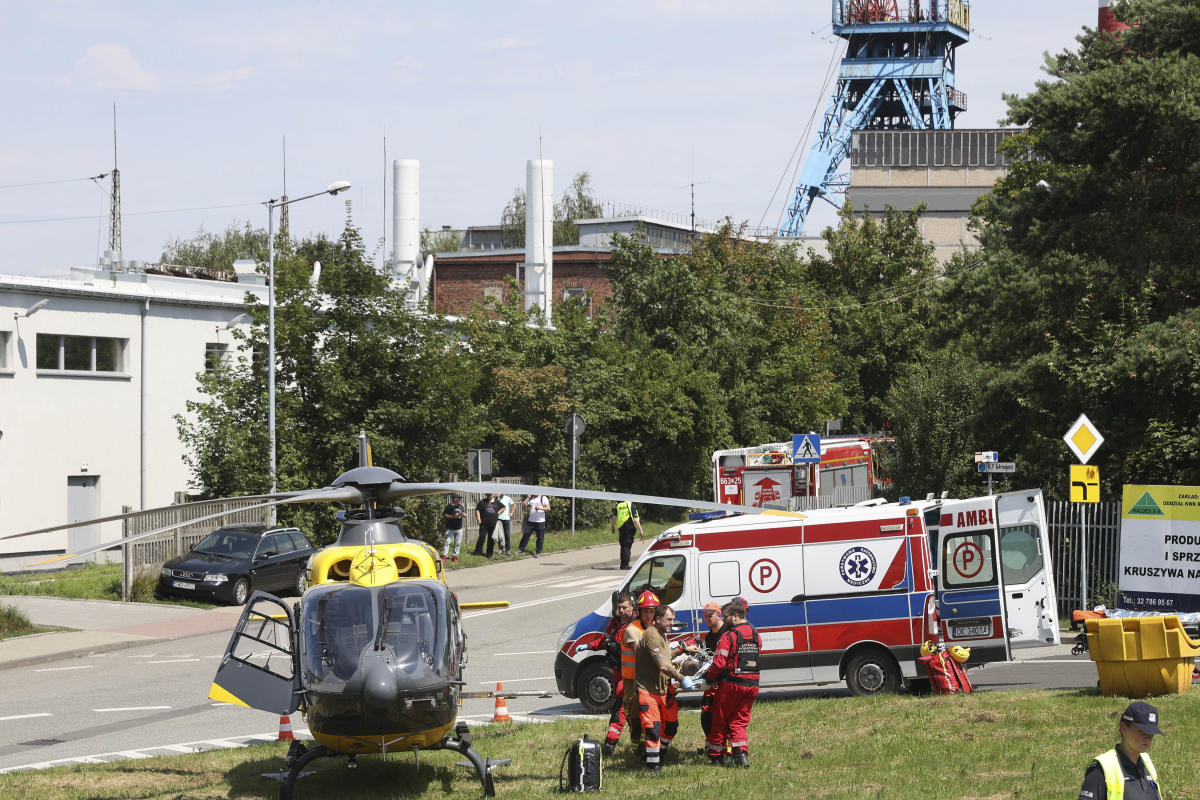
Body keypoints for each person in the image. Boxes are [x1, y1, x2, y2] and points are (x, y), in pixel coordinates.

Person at [635, 603, 694, 771]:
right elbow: (663, 665)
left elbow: (665, 657)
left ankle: (659, 754)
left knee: (671, 726)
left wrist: (683, 650)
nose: (672, 623)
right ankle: (653, 767)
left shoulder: (662, 634)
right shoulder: (651, 635)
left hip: (663, 690)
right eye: (669, 620)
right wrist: (683, 679)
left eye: (673, 619)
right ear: (658, 619)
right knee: (653, 729)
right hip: (648, 691)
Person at [703, 599, 760, 768]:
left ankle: (715, 756)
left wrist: (709, 680)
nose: (725, 620)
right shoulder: (756, 634)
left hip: (732, 684)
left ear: (735, 617)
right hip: (753, 684)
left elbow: (719, 663)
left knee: (720, 719)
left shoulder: (729, 636)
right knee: (739, 721)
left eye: (726, 616)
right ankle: (741, 757)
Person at [1077, 701, 1165, 800]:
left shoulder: (1147, 762)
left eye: (1151, 732)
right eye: (1142, 731)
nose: (1148, 737)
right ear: (1124, 729)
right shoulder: (1102, 768)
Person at [621, 589, 658, 754]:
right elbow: (641, 655)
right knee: (635, 717)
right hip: (632, 680)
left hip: (650, 678)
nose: (649, 615)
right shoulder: (632, 629)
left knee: (649, 714)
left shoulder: (656, 627)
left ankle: (646, 747)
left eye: (652, 611)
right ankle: (636, 749)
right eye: (645, 611)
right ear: (639, 611)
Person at [601, 591, 635, 756]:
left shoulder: (635, 625)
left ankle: (610, 743)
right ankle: (636, 745)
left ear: (631, 607)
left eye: (624, 608)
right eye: (619, 608)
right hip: (618, 673)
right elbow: (603, 640)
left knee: (620, 709)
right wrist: (587, 646)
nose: (621, 611)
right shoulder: (615, 624)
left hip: (631, 675)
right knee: (625, 709)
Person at [696, 601, 724, 742]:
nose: (707, 619)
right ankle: (711, 744)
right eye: (705, 616)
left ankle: (726, 749)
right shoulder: (709, 636)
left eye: (710, 616)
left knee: (722, 717)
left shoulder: (726, 632)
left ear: (719, 615)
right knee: (706, 716)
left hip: (724, 682)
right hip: (711, 681)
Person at [611, 500, 644, 570]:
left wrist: (613, 527)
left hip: (621, 528)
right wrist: (640, 529)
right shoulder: (631, 505)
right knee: (627, 546)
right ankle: (625, 565)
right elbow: (635, 519)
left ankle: (623, 564)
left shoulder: (619, 506)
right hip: (629, 527)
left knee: (623, 545)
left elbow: (614, 517)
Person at [518, 493, 549, 557]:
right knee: (525, 535)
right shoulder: (531, 498)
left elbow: (548, 508)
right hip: (531, 521)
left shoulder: (543, 498)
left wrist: (540, 509)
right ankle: (521, 549)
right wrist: (528, 497)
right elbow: (524, 505)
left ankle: (538, 552)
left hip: (540, 521)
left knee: (540, 537)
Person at [472, 492, 499, 557]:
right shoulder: (482, 502)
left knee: (491, 539)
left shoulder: (497, 502)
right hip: (483, 523)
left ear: (493, 495)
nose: (490, 495)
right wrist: (479, 520)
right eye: (488, 494)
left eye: (491, 494)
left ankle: (489, 554)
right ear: (486, 495)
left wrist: (498, 513)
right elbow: (477, 510)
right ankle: (477, 552)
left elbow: (503, 507)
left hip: (493, 523)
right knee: (482, 537)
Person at [442, 495, 466, 563]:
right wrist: (452, 516)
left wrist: (462, 514)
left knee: (457, 543)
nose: (459, 500)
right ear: (454, 499)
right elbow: (444, 515)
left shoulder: (461, 506)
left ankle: (455, 556)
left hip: (459, 528)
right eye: (458, 498)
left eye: (460, 499)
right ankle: (444, 556)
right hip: (450, 528)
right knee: (447, 542)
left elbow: (465, 515)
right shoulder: (449, 506)